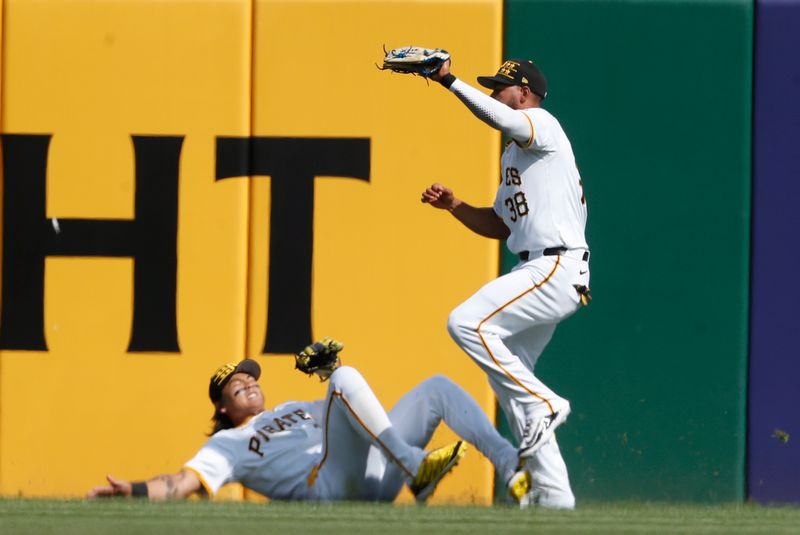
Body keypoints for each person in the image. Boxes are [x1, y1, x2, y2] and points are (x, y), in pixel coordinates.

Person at [419, 57, 590, 509]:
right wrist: (456, 206)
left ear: (524, 93)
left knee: (466, 323)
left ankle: (548, 403)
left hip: (555, 265)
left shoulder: (540, 123)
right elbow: (500, 224)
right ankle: (554, 498)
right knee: (509, 375)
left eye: (501, 86)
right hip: (539, 266)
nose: (495, 93)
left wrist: (447, 80)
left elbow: (500, 116)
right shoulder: (514, 153)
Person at [87, 350, 531, 504]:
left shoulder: (297, 406)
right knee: (342, 379)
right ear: (221, 408)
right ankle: (417, 468)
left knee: (435, 387)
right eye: (233, 385)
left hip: (373, 471)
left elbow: (356, 418)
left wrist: (328, 367)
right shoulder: (227, 444)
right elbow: (183, 481)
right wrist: (136, 490)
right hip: (329, 487)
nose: (246, 382)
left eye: (249, 377)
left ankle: (512, 468)